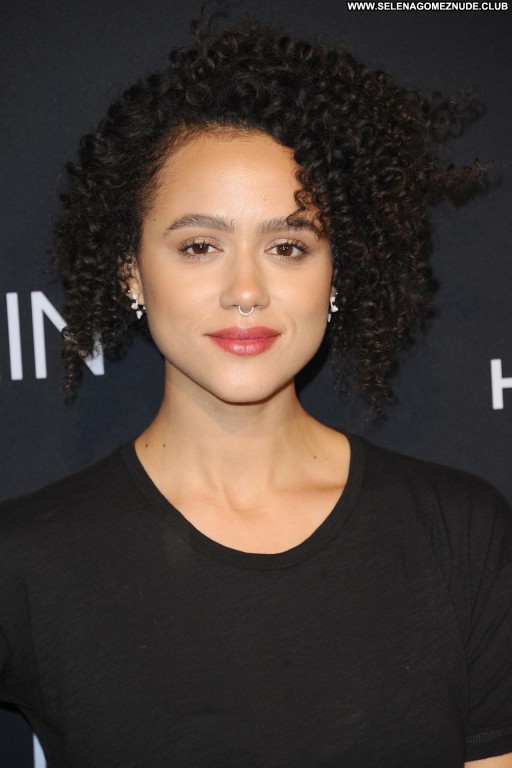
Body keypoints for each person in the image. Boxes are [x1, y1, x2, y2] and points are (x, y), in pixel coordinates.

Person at [1, 16, 511, 768]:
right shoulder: (26, 561)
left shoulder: (459, 532)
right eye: (200, 246)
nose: (246, 290)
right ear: (131, 272)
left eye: (288, 246)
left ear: (335, 274)